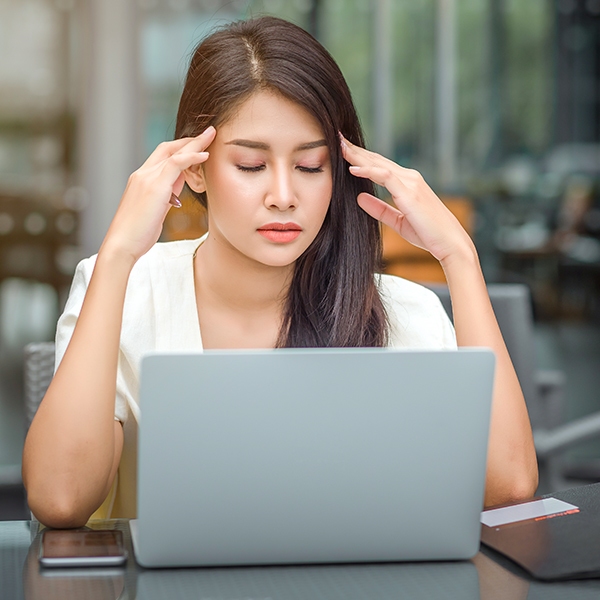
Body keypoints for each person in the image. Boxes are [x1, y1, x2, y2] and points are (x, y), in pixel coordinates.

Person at [22, 16, 538, 528]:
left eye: (311, 166)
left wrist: (460, 258)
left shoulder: (404, 311)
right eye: (251, 166)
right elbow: (61, 498)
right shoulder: (126, 294)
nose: (284, 197)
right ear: (195, 168)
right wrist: (116, 257)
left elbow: (509, 489)